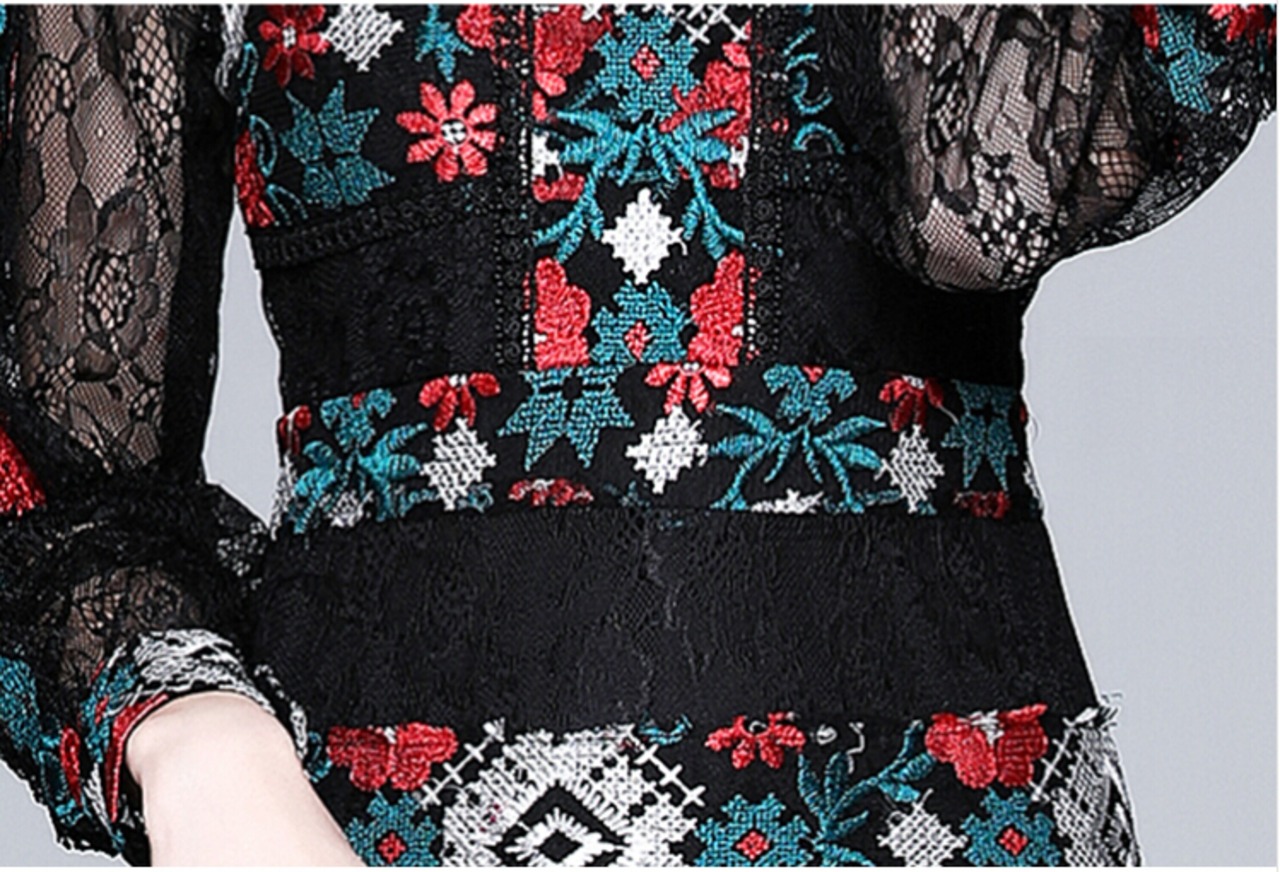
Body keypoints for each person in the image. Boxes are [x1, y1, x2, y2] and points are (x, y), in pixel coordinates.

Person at [0, 4, 1273, 866]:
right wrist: (192, 736)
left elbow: (978, 200)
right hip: (376, 829)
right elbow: (60, 476)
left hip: (955, 814)